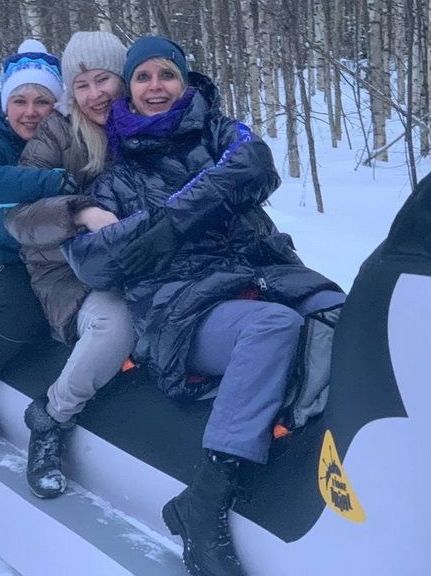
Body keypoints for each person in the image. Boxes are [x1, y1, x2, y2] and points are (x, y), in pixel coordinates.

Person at [63, 35, 345, 576]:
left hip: (263, 275)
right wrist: (150, 232)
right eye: (143, 77)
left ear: (184, 80)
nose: (156, 87)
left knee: (343, 312)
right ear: (129, 90)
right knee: (272, 326)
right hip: (182, 310)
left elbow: (256, 164)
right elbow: (90, 260)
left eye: (166, 74)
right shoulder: (116, 174)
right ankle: (207, 498)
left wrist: (174, 219)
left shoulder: (219, 132)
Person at [4, 31, 134, 499]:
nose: (95, 94)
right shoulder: (56, 135)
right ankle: (51, 418)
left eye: (104, 80)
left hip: (143, 261)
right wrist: (78, 212)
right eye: (82, 85)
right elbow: (18, 217)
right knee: (115, 323)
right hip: (68, 268)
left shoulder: (149, 122)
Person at [0, 39, 73, 442]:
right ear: (5, 105)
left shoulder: (66, 137)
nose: (31, 112)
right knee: (24, 314)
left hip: (52, 255)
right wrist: (54, 182)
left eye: (43, 101)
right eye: (19, 101)